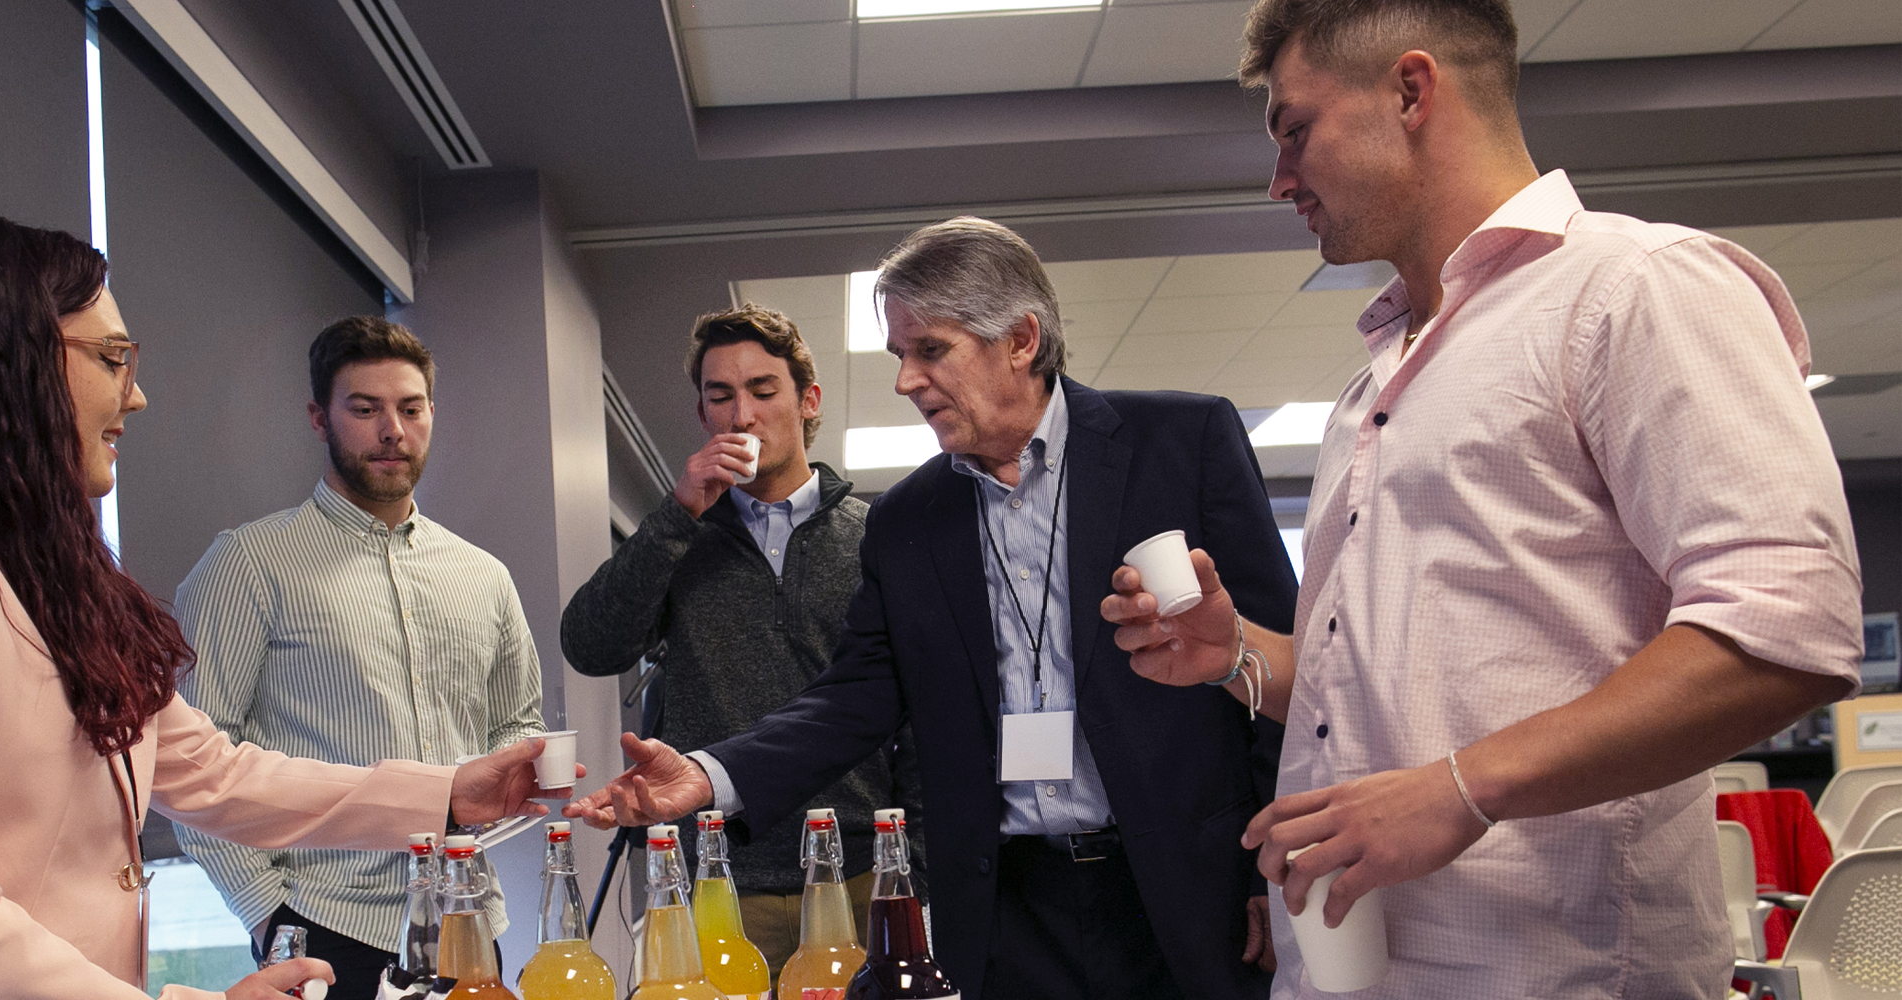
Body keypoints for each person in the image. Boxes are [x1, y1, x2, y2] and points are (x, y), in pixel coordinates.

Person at [1100, 2, 1864, 997]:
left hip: (1553, 971)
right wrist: (1234, 655)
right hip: (1353, 970)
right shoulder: (1373, 385)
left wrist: (1464, 787)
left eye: (1295, 132)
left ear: (1411, 91)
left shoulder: (1633, 287)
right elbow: (1376, 699)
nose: (1280, 179)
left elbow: (1785, 628)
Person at [0, 213, 566, 1000]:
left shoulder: (43, 573)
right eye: (113, 360)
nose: (137, 396)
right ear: (4, 361)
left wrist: (451, 791)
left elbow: (217, 774)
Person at [570, 217, 1300, 1000]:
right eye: (898, 356)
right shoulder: (909, 519)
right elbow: (853, 698)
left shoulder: (1181, 442)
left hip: (1187, 890)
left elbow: (1273, 656)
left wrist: (1272, 862)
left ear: (1020, 340)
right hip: (1008, 910)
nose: (906, 381)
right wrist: (711, 774)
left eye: (930, 350)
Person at [172, 316, 547, 998]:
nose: (391, 432)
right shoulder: (248, 564)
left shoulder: (484, 576)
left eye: (409, 409)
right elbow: (194, 762)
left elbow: (515, 727)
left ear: (432, 414)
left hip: (469, 926)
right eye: (365, 409)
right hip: (323, 928)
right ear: (320, 418)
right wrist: (268, 913)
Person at [559, 304, 920, 975]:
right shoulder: (679, 536)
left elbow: (919, 708)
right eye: (720, 396)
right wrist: (676, 513)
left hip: (860, 870)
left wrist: (919, 865)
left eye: (762, 390)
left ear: (807, 400)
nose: (742, 416)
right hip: (719, 873)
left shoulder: (876, 536)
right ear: (703, 416)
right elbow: (590, 646)